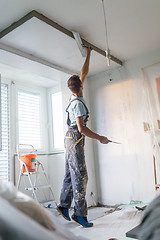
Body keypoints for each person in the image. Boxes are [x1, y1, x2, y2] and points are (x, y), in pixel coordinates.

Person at [57, 47, 109, 228]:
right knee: (80, 176)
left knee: (70, 173)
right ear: (80, 87)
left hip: (69, 139)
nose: (83, 83)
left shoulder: (74, 95)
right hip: (75, 137)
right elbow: (82, 129)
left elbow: (83, 72)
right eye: (82, 83)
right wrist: (101, 137)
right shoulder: (78, 104)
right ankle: (80, 215)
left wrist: (88, 54)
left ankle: (63, 206)